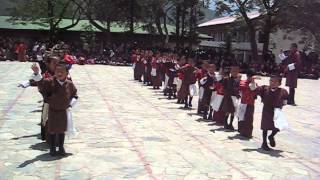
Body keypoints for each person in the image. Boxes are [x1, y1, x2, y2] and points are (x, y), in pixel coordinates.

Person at [31, 61, 78, 156]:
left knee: (62, 130)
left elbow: (75, 96)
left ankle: (61, 147)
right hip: (52, 110)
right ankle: (52, 148)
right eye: (57, 71)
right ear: (55, 72)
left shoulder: (69, 84)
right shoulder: (50, 81)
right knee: (52, 129)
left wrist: (70, 104)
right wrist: (37, 73)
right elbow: (41, 83)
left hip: (63, 111)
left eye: (62, 72)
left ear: (67, 73)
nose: (59, 74)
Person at [254, 75, 289, 151]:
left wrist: (280, 106)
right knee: (265, 127)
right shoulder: (264, 89)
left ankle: (271, 136)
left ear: (279, 83)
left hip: (277, 111)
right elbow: (254, 89)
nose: (272, 83)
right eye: (271, 81)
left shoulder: (283, 91)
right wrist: (253, 81)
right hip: (267, 110)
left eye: (275, 82)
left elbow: (285, 102)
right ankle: (264, 143)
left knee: (279, 126)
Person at [237, 70, 258, 138]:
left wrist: (252, 82)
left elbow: (253, 89)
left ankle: (248, 133)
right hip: (243, 103)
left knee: (249, 119)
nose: (251, 78)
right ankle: (241, 130)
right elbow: (240, 90)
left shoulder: (255, 84)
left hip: (250, 103)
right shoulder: (242, 82)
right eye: (250, 77)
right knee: (241, 117)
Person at [221, 66, 241, 130]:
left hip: (235, 97)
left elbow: (240, 89)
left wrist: (239, 95)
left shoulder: (239, 80)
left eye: (236, 71)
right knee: (227, 111)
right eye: (233, 71)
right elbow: (223, 87)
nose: (234, 73)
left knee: (233, 111)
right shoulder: (226, 79)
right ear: (230, 72)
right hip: (228, 96)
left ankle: (231, 123)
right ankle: (225, 123)